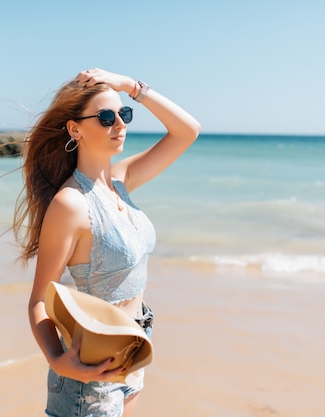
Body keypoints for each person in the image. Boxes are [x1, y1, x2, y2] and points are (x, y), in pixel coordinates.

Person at [13, 68, 200, 417]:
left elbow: (188, 131)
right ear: (75, 129)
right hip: (91, 365)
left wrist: (131, 87)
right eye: (105, 117)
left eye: (124, 114)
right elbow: (39, 299)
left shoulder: (121, 180)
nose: (119, 124)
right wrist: (59, 361)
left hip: (134, 347)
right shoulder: (71, 204)